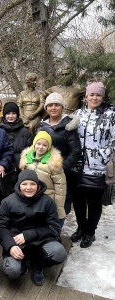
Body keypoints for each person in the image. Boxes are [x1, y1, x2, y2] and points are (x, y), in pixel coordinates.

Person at [0, 169, 67, 286]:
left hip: (40, 240)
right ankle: (22, 262)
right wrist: (10, 246)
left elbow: (54, 228)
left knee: (60, 253)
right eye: (24, 184)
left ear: (38, 185)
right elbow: (1, 227)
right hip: (17, 242)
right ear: (19, 185)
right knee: (13, 271)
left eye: (32, 184)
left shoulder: (48, 202)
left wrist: (29, 234)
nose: (28, 187)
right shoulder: (7, 202)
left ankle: (37, 266)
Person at [70, 82, 115, 248]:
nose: (94, 98)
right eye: (92, 94)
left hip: (98, 167)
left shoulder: (110, 114)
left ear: (103, 97)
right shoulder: (77, 113)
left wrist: (104, 155)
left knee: (94, 201)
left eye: (98, 95)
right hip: (77, 166)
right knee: (78, 200)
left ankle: (90, 232)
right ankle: (81, 227)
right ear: (86, 96)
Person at [37, 92, 82, 214]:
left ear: (62, 107)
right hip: (44, 172)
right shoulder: (41, 126)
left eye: (57, 104)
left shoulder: (69, 126)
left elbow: (76, 151)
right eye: (50, 105)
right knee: (43, 203)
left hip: (63, 173)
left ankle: (57, 231)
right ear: (46, 108)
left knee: (61, 205)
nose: (53, 108)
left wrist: (61, 168)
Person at [19, 131, 66, 224]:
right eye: (38, 144)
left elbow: (60, 186)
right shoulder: (26, 159)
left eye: (44, 145)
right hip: (31, 197)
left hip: (47, 198)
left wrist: (58, 206)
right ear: (34, 144)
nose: (40, 147)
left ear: (48, 147)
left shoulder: (53, 162)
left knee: (47, 222)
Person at [0, 102, 33, 196]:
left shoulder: (26, 132)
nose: (11, 116)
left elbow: (30, 153)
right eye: (8, 114)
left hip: (20, 173)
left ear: (17, 115)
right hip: (3, 172)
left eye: (13, 113)